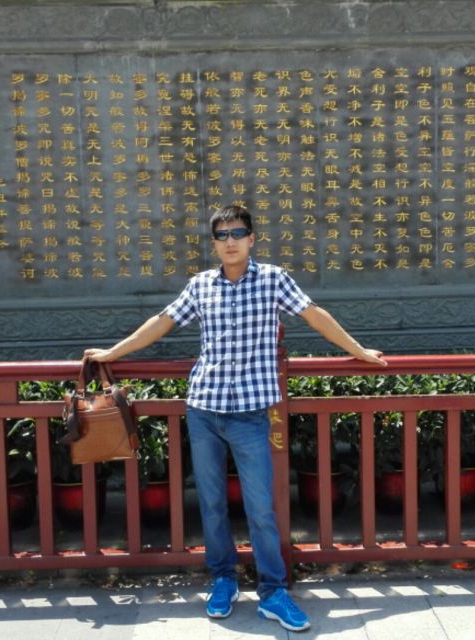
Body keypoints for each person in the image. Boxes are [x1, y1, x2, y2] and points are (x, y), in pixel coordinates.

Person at [84, 204, 388, 632]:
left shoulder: (273, 279)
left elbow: (314, 315)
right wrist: (113, 353)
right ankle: (223, 580)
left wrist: (358, 351)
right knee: (211, 504)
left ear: (252, 239)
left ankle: (273, 591)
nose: (230, 241)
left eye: (238, 233)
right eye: (222, 235)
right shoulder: (200, 285)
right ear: (214, 243)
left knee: (260, 507)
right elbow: (162, 322)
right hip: (204, 408)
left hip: (249, 414)